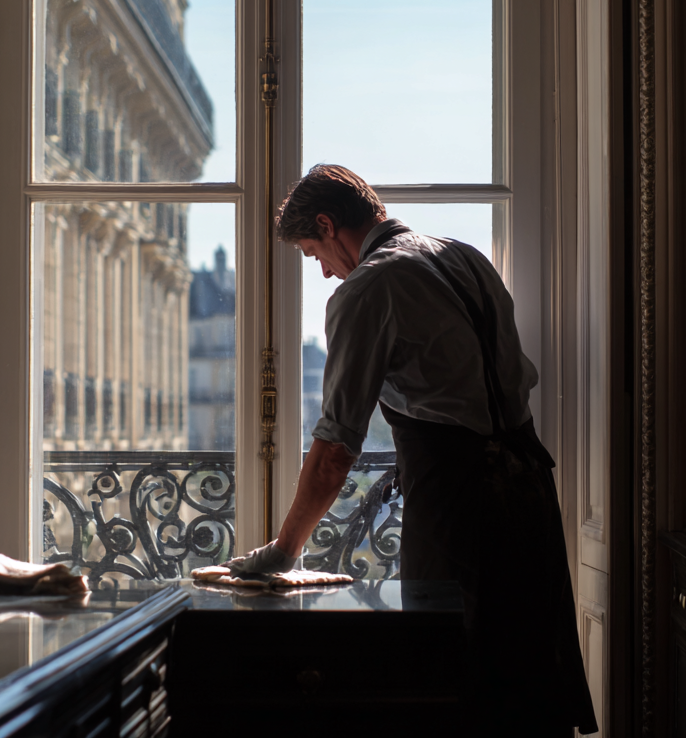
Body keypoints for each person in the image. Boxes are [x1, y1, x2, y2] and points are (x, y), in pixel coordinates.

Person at [226, 164, 598, 736]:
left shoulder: (366, 288)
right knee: (529, 681)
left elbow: (334, 451)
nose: (324, 272)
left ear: (328, 224)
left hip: (457, 507)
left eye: (313, 253)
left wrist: (284, 550)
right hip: (529, 495)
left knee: (454, 687)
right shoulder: (464, 254)